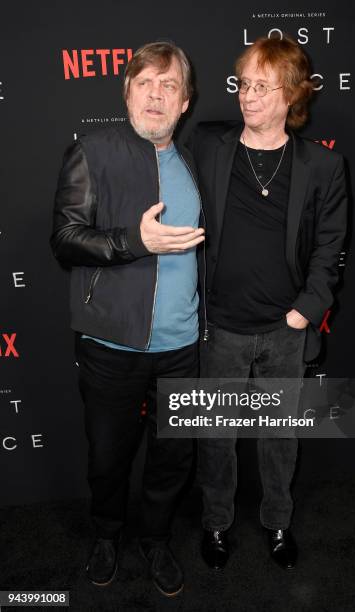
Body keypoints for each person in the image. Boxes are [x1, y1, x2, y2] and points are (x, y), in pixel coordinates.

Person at [50, 41, 205, 597]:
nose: (156, 95)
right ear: (127, 91)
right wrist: (131, 241)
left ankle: (157, 539)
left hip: (184, 347)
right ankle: (107, 534)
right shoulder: (91, 152)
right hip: (111, 345)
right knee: (108, 455)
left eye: (169, 86)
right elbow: (65, 239)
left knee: (173, 455)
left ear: (185, 102)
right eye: (146, 83)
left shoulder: (194, 163)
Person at [188, 35, 347, 571]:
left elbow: (330, 247)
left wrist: (306, 308)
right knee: (215, 437)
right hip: (222, 327)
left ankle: (277, 522)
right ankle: (215, 524)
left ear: (292, 96)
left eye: (262, 86)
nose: (248, 96)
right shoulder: (211, 147)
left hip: (286, 329)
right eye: (244, 84)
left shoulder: (322, 168)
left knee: (279, 438)